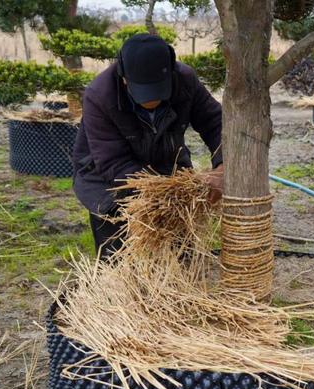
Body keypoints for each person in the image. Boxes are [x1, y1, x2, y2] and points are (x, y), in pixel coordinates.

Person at [72, 34, 224, 258]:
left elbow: (215, 122)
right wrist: (168, 191)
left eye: (158, 91)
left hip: (167, 165)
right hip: (108, 179)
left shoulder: (185, 80)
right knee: (119, 258)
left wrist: (222, 165)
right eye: (143, 92)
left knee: (180, 253)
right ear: (124, 78)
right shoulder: (100, 95)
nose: (151, 100)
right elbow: (113, 162)